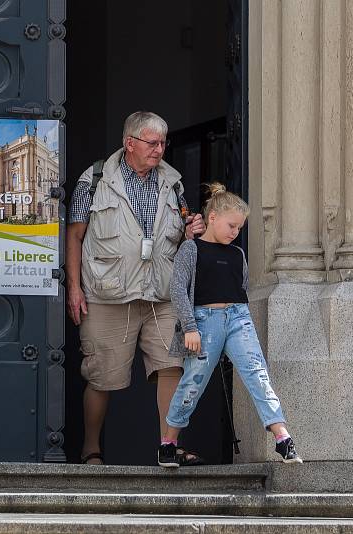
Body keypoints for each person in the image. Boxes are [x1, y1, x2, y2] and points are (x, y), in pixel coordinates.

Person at [66, 111, 205, 465]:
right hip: (107, 294)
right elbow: (75, 235)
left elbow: (181, 236)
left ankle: (168, 446)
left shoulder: (173, 183)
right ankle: (91, 449)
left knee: (172, 365)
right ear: (130, 143)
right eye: (152, 143)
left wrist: (192, 232)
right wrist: (74, 287)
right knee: (101, 376)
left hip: (161, 295)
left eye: (163, 142)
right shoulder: (95, 180)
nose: (160, 150)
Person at [158, 183, 302, 467]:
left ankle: (282, 437)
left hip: (238, 318)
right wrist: (189, 327)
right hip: (203, 321)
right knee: (192, 384)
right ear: (212, 218)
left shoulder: (238, 254)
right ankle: (168, 443)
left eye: (239, 228)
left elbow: (242, 286)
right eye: (231, 225)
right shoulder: (191, 249)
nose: (235, 232)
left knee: (257, 374)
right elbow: (177, 289)